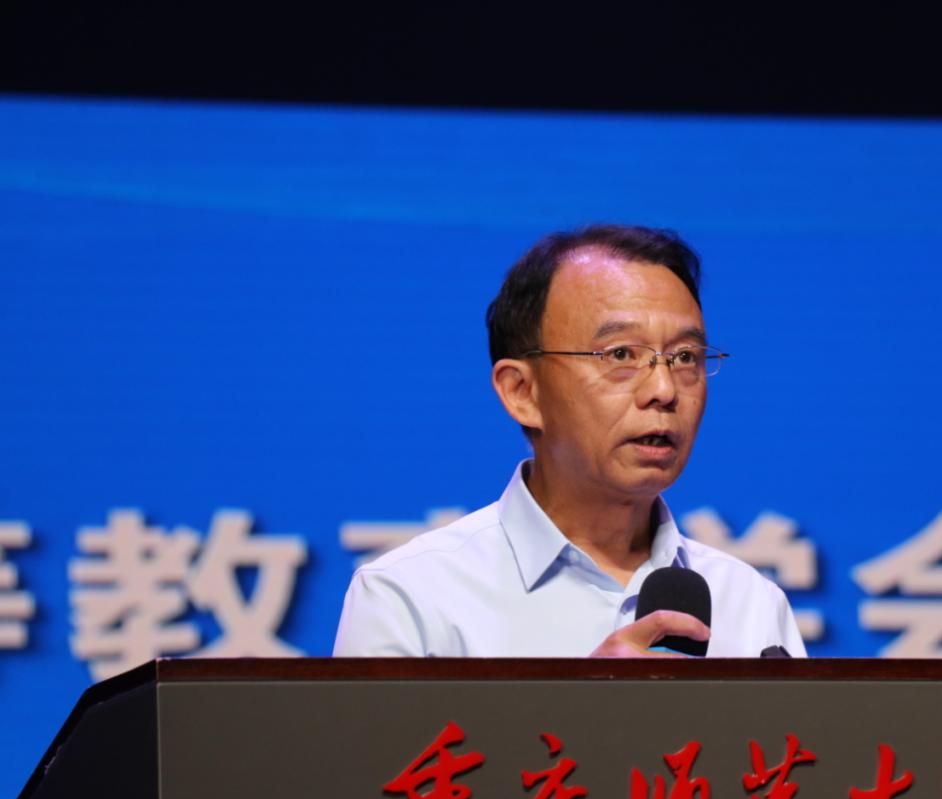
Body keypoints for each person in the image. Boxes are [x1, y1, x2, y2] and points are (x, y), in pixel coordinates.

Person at [333, 224, 805, 658]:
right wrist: (580, 707)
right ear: (523, 392)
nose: (664, 390)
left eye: (684, 357)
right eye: (621, 354)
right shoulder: (410, 597)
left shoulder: (750, 604)